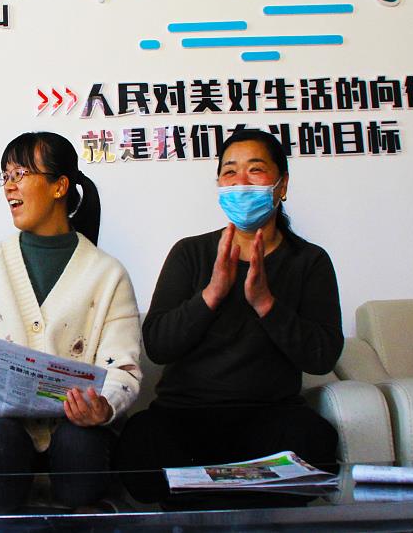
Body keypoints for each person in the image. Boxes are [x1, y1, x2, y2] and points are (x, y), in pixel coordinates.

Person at [114, 129, 343, 499]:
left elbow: (322, 356)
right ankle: (236, 494)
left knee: (316, 443)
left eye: (256, 170)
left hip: (270, 416)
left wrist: (266, 303)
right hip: (185, 417)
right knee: (140, 447)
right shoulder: (190, 253)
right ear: (219, 184)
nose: (241, 182)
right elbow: (157, 345)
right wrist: (211, 294)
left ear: (282, 185)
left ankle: (215, 495)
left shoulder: (309, 260)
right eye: (230, 172)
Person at [0, 131, 142, 509]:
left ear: (60, 186)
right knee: (3, 444)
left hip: (79, 430)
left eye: (21, 174)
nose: (9, 186)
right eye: (5, 176)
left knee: (79, 448)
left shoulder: (108, 274)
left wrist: (102, 406)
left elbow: (123, 369)